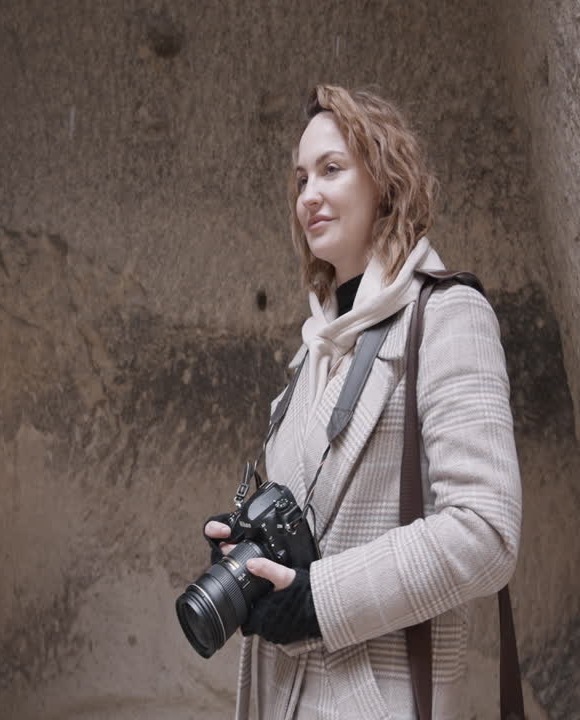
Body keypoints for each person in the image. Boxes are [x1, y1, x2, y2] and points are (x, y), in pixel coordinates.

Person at [203, 85, 522, 719]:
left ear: (385, 181)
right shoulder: (312, 350)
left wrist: (321, 600)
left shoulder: (448, 314)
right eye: (300, 179)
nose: (308, 196)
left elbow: (487, 532)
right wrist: (246, 553)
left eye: (331, 170)